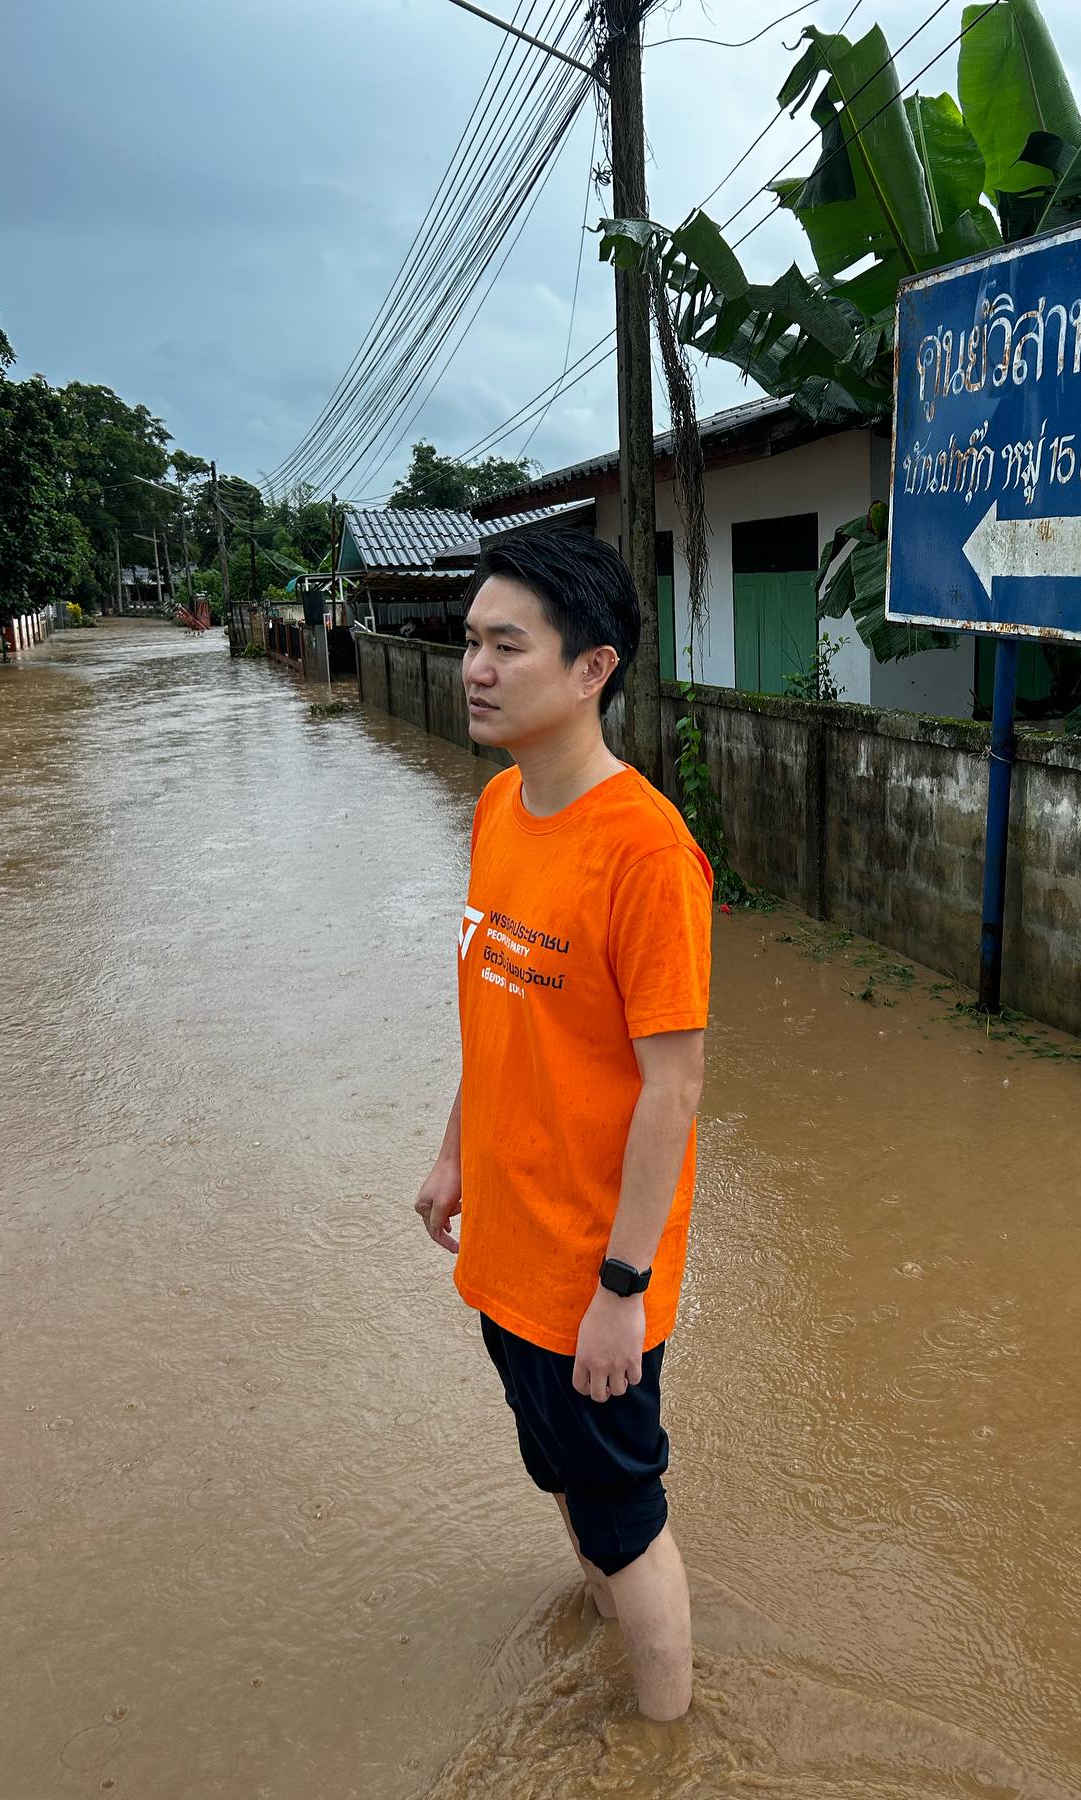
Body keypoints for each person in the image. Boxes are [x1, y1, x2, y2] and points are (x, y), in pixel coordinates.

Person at [413, 529, 712, 1722]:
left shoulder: (645, 852)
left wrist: (623, 1288)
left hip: (595, 1271)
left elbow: (673, 1090)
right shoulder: (497, 807)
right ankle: (598, 1634)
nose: (475, 669)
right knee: (573, 1485)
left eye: (505, 645)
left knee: (629, 1522)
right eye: (469, 643)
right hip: (508, 1248)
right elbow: (496, 1007)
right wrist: (450, 1153)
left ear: (590, 670)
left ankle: (667, 1743)